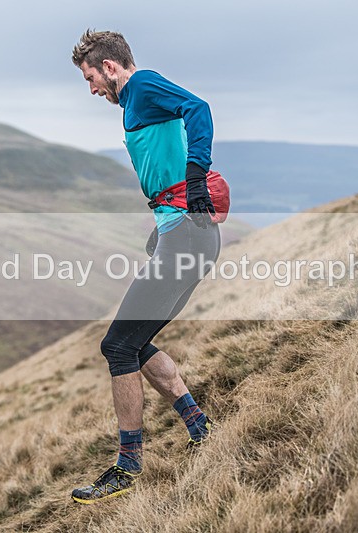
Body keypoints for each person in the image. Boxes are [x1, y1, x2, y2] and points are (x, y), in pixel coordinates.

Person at [70, 29, 222, 505]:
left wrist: (196, 176)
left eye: (91, 78)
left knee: (117, 346)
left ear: (110, 68)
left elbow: (199, 108)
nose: (92, 89)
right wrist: (164, 222)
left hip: (189, 236)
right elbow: (163, 166)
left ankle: (127, 467)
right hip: (183, 235)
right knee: (134, 344)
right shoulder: (136, 102)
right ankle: (200, 426)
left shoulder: (143, 85)